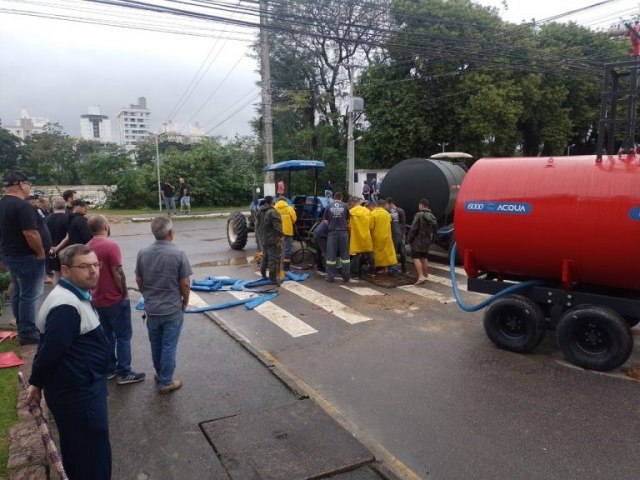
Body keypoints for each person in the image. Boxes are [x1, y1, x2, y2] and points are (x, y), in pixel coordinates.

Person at [26, 244, 112, 480]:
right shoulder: (65, 307)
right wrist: (36, 382)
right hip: (79, 396)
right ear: (65, 270)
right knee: (90, 457)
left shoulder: (73, 295)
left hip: (82, 388)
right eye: (84, 266)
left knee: (81, 452)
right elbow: (50, 351)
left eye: (96, 264)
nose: (93, 271)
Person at [135, 216, 192, 393]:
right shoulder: (179, 254)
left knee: (156, 343)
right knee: (169, 345)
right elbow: (185, 283)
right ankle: (166, 382)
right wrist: (185, 301)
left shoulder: (143, 253)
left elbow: (139, 279)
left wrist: (147, 294)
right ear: (170, 233)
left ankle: (161, 374)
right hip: (171, 308)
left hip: (152, 308)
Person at [88, 215, 145, 385]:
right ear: (105, 226)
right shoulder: (110, 246)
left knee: (107, 335)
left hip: (97, 298)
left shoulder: (87, 246)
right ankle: (124, 372)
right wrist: (124, 293)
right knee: (123, 336)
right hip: (114, 298)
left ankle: (109, 368)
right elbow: (117, 272)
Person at [0, 170, 46, 345]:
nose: (29, 187)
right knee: (30, 294)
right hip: (26, 256)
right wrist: (40, 253)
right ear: (21, 184)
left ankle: (22, 326)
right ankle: (27, 332)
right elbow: (30, 234)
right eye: (28, 183)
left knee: (19, 292)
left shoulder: (2, 203)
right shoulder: (22, 206)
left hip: (11, 255)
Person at [407, 198, 438, 284]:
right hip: (427, 241)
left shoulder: (419, 215)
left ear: (421, 205)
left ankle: (421, 276)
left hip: (418, 241)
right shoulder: (432, 216)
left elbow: (414, 228)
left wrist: (409, 239)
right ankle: (424, 275)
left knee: (415, 257)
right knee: (424, 258)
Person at [323, 191, 350, 283]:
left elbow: (325, 222)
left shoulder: (328, 206)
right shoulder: (345, 206)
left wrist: (332, 226)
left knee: (331, 256)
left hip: (332, 233)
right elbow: (348, 220)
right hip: (343, 233)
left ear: (334, 198)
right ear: (341, 198)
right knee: (345, 256)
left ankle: (330, 277)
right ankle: (346, 277)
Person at [255, 196, 283, 285]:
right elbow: (277, 227)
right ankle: (272, 279)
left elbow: (257, 225)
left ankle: (263, 274)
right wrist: (281, 235)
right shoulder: (273, 212)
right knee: (273, 259)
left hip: (262, 238)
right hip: (271, 239)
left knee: (265, 256)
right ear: (272, 202)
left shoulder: (259, 211)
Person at [27, 195, 53, 284]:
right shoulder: (30, 213)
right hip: (39, 243)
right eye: (36, 202)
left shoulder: (36, 212)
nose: (39, 204)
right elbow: (30, 232)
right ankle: (43, 277)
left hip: (44, 243)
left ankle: (44, 276)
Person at [348, 197, 375, 279]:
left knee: (356, 255)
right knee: (370, 253)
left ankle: (355, 274)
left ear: (353, 203)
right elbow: (371, 225)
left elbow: (349, 226)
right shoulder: (367, 211)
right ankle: (372, 272)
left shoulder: (351, 212)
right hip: (366, 236)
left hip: (356, 237)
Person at [368, 200, 397, 273]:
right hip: (387, 236)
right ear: (383, 205)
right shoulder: (387, 214)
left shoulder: (373, 213)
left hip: (377, 236)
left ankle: (379, 269)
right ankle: (386, 269)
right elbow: (390, 222)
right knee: (387, 253)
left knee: (378, 254)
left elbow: (370, 226)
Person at [45, 197, 69, 285]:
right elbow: (68, 236)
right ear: (65, 206)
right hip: (66, 249)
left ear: (53, 206)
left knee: (56, 273)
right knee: (67, 273)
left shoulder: (47, 219)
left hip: (51, 249)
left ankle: (56, 294)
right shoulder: (68, 218)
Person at [274, 195, 297, 271]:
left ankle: (277, 266)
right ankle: (286, 267)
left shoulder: (274, 208)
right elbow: (294, 219)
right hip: (288, 231)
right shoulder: (289, 208)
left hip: (277, 231)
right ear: (285, 201)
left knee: (277, 248)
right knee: (287, 249)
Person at [386, 197, 408, 274]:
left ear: (391, 203)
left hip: (399, 234)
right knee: (395, 252)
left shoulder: (400, 211)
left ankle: (403, 268)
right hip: (394, 234)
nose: (387, 206)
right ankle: (393, 268)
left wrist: (401, 233)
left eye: (387, 204)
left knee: (401, 252)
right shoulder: (387, 211)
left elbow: (403, 223)